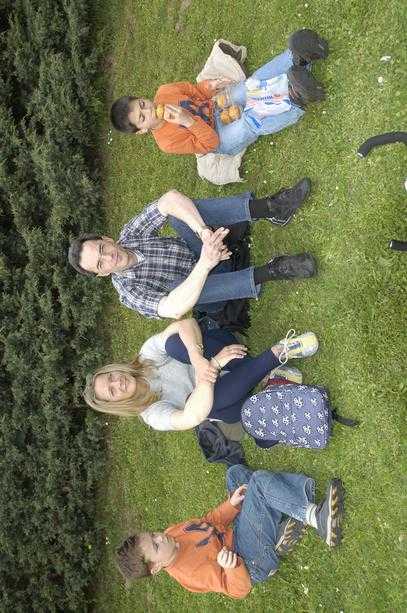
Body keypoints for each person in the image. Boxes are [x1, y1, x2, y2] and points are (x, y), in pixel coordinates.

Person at [68, 183, 316, 320]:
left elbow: (169, 199)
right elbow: (172, 309)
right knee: (183, 291)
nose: (109, 257)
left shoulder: (130, 234)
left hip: (204, 249)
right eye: (100, 264)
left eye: (102, 249)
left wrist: (204, 233)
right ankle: (274, 270)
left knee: (179, 216)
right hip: (211, 288)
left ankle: (273, 208)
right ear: (102, 274)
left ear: (107, 239)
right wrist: (205, 264)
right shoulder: (128, 292)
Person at [115, 465, 345, 599]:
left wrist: (231, 505)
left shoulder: (171, 534)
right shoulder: (191, 573)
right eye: (156, 545)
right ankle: (316, 518)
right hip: (247, 563)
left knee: (235, 474)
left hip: (236, 536)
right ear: (156, 567)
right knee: (258, 482)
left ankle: (279, 519)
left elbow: (208, 522)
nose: (160, 536)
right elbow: (238, 590)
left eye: (152, 534)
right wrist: (231, 566)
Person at [110, 30, 328, 156]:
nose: (149, 109)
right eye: (142, 117)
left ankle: (297, 57)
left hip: (216, 107)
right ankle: (296, 100)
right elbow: (211, 144)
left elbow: (196, 91)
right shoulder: (167, 143)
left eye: (142, 104)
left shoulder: (164, 92)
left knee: (249, 86)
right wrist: (189, 122)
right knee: (248, 121)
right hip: (220, 137)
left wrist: (210, 85)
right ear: (141, 131)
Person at [83, 318, 318, 431]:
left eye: (111, 377)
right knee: (198, 404)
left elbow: (185, 324)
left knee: (174, 344)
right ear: (117, 403)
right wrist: (212, 367)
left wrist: (199, 360)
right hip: (228, 399)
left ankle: (272, 368)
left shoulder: (146, 357)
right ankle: (276, 356)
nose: (118, 383)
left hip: (226, 351)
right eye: (112, 391)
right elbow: (192, 417)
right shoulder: (153, 415)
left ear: (114, 369)